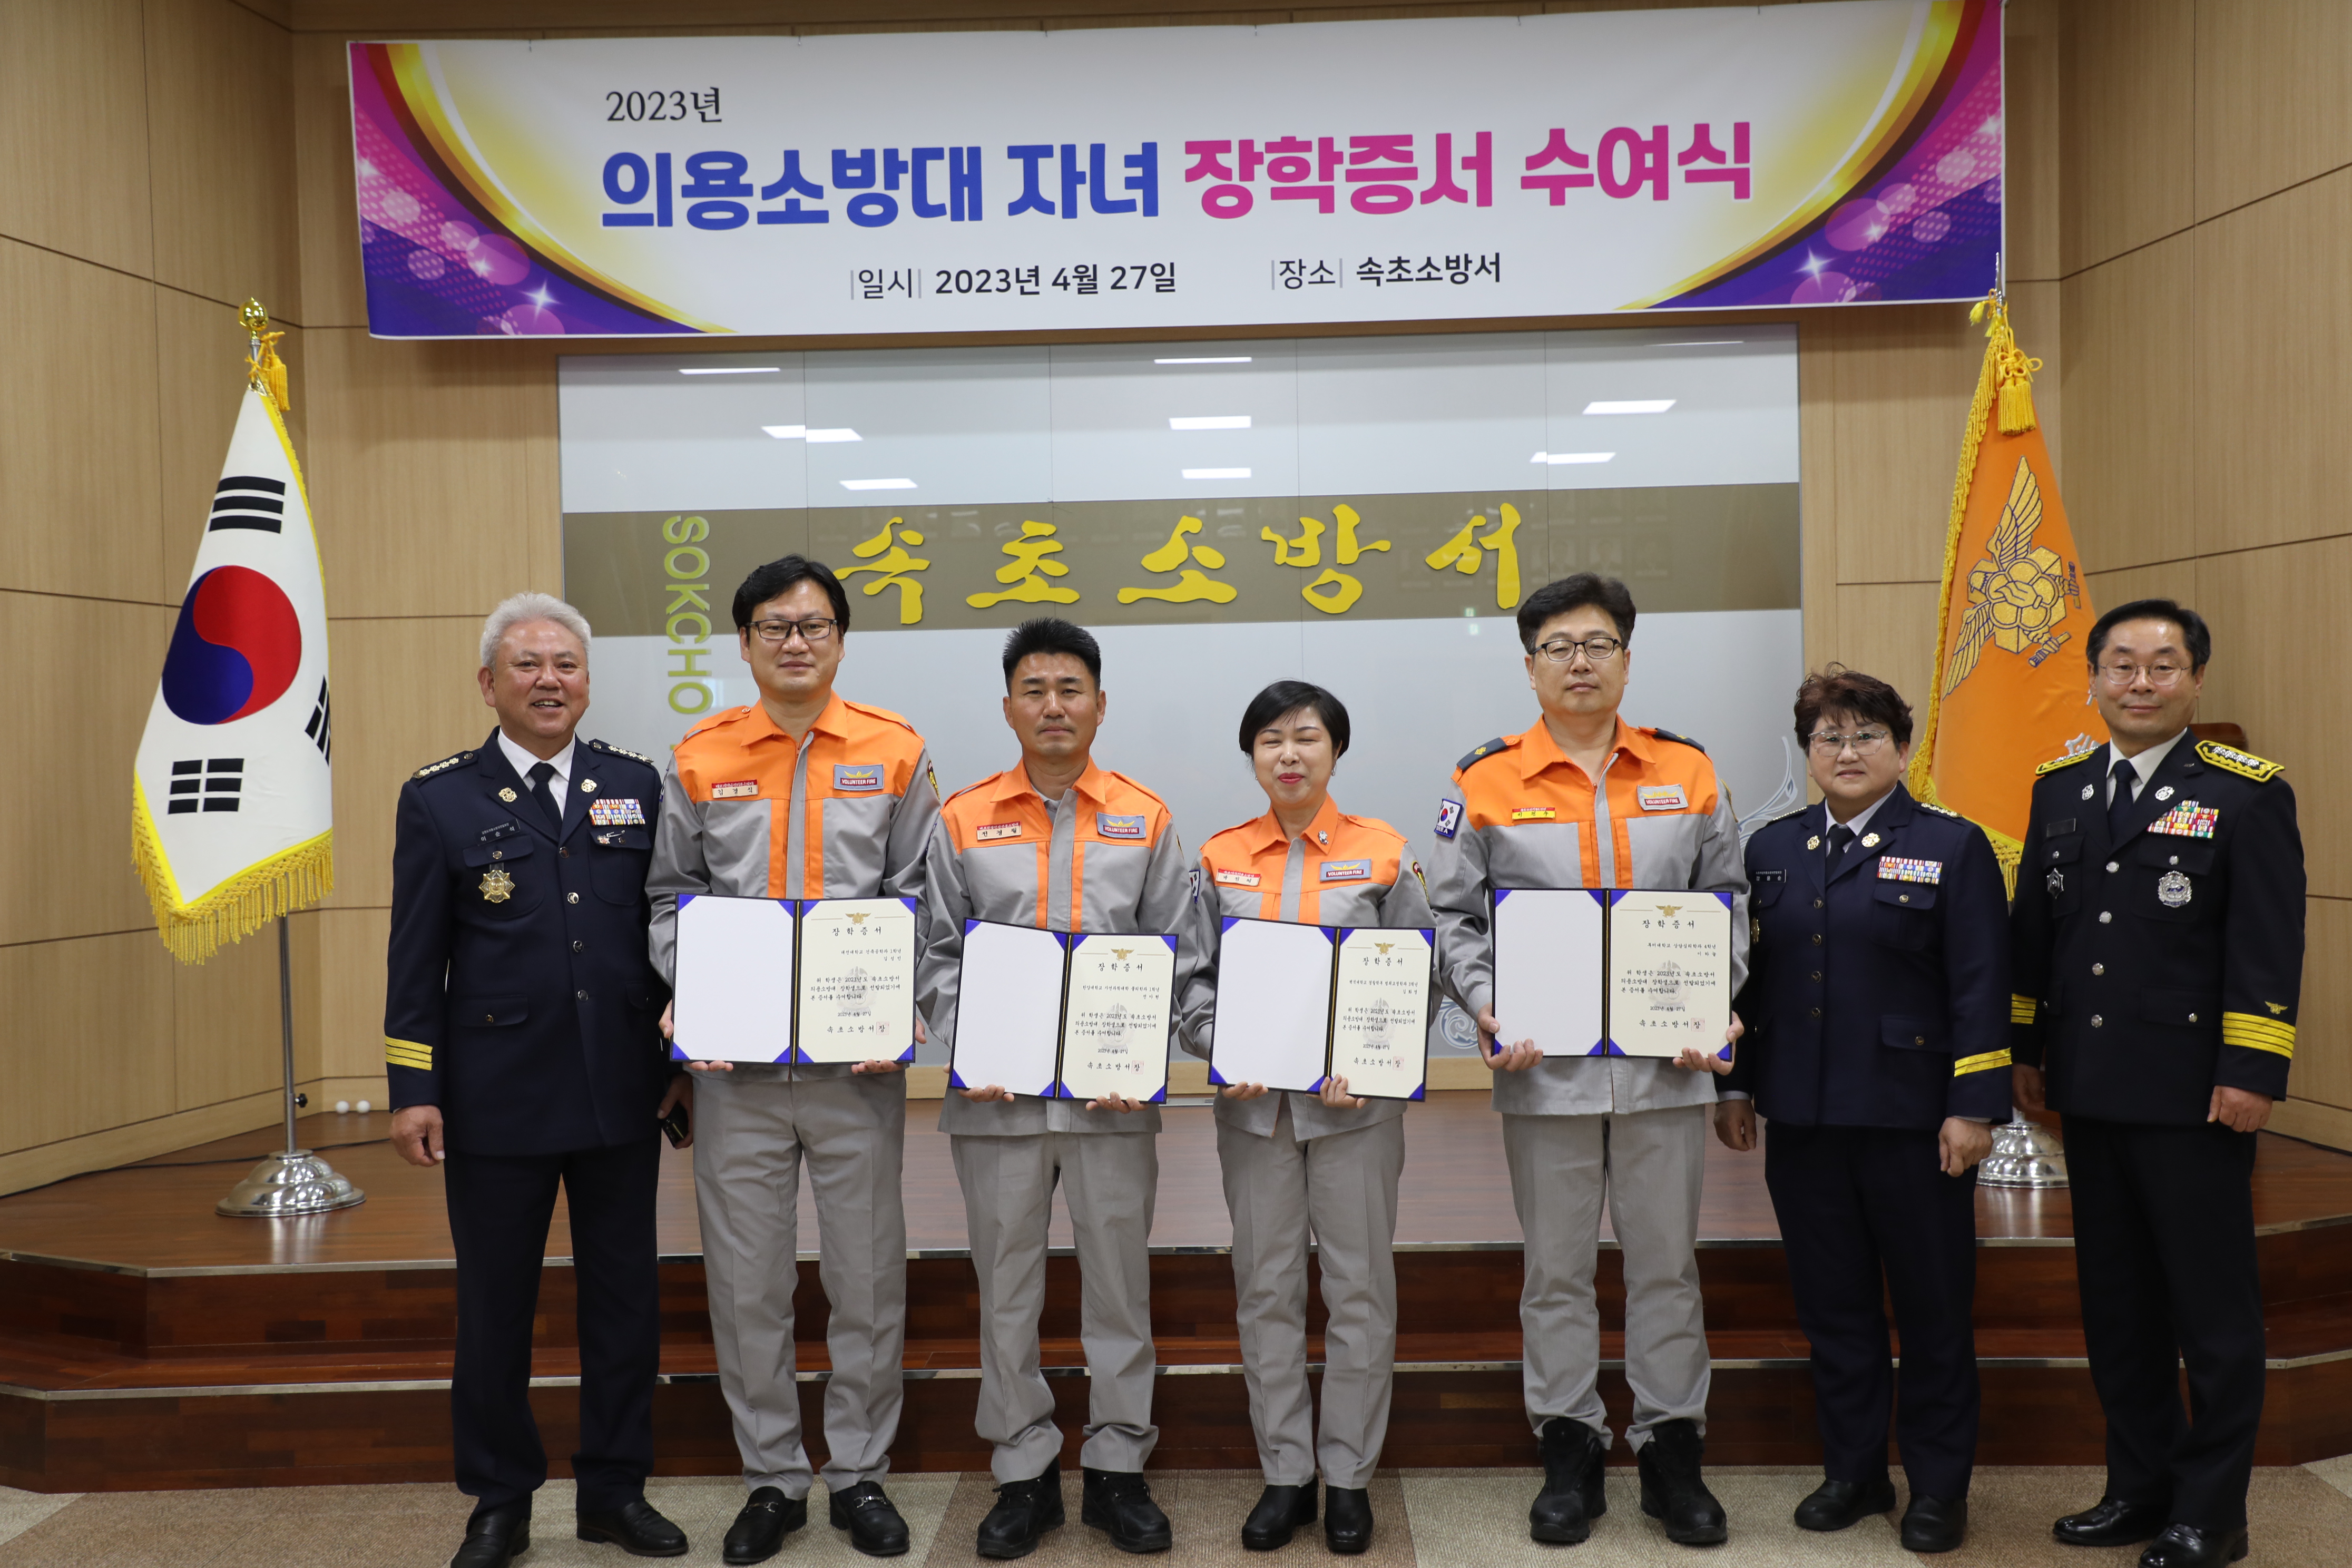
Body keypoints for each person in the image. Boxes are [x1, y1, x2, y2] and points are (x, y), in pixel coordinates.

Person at [1424, 573, 1745, 1549]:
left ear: (1627, 661)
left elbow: (1728, 901)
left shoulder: (1688, 770)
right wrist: (1484, 1003)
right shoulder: (1484, 781)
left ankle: (1671, 1451)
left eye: (1597, 644)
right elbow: (1453, 918)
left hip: (1664, 1069)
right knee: (1556, 1271)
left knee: (1666, 1268)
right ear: (1530, 667)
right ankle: (1569, 1446)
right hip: (1545, 1070)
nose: (1578, 662)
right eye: (1557, 647)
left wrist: (1716, 1000)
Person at [646, 556, 940, 1565]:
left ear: (841, 641)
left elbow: (920, 896)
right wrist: (696, 988)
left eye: (814, 626)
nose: (796, 642)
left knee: (867, 1275)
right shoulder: (700, 755)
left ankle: (859, 1472)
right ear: (745, 643)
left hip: (855, 1067)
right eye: (774, 627)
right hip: (738, 1073)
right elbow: (669, 896)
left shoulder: (896, 750)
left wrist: (893, 1006)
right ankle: (772, 1476)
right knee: (747, 1281)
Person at [384, 592, 687, 1568]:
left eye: (566, 665)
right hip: (496, 1096)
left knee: (624, 1303)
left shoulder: (635, 784)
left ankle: (614, 1491)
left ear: (587, 681)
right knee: (495, 1308)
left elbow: (664, 937)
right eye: (528, 665)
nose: (549, 681)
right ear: (490, 684)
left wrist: (680, 1062)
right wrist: (413, 1088)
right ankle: (500, 1500)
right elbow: (414, 958)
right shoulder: (440, 798)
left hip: (621, 1090)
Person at [2012, 600, 2302, 1568]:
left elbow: (2268, 946)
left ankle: (2212, 1514)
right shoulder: (2060, 789)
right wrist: (2024, 1050)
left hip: (2194, 1099)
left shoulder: (2246, 793)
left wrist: (2251, 1071)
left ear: (2195, 679)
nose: (2141, 683)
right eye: (2123, 665)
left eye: (2163, 665)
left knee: (2212, 1317)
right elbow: (2036, 936)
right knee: (2120, 1309)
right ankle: (2139, 1488)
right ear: (2094, 679)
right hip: (2090, 1092)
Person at [918, 618, 1199, 1560]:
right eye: (1034, 690)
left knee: (1119, 1286)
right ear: (1008, 708)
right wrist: (974, 1041)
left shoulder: (1144, 817)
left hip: (1109, 1100)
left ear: (1100, 705)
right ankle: (1024, 1473)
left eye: (1070, 689)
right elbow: (935, 951)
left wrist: (1139, 1056)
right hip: (996, 1099)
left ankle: (1118, 1468)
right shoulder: (963, 818)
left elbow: (1175, 952)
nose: (1053, 706)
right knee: (1006, 1288)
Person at [1717, 667, 2007, 1554]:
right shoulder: (1773, 848)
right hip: (1805, 1120)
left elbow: (1980, 985)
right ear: (1807, 752)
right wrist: (1737, 1086)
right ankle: (1854, 1472)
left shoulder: (1953, 845)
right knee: (1833, 1309)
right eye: (1828, 737)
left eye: (1867, 735)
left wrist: (1974, 1105)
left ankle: (1939, 1487)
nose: (1847, 752)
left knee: (1932, 1312)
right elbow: (1752, 983)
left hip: (1915, 1123)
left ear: (1903, 747)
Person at [1180, 681, 1434, 1555]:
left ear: (1336, 751)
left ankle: (1350, 1477)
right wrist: (1221, 1045)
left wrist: (1373, 1060)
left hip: (1354, 1114)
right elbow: (1192, 981)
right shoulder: (1219, 857)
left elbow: (1419, 976)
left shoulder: (1384, 853)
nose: (1289, 755)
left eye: (1307, 738)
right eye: (1271, 741)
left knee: (1359, 1290)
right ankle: (1286, 1474)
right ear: (1252, 755)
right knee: (1267, 1290)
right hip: (1257, 1116)